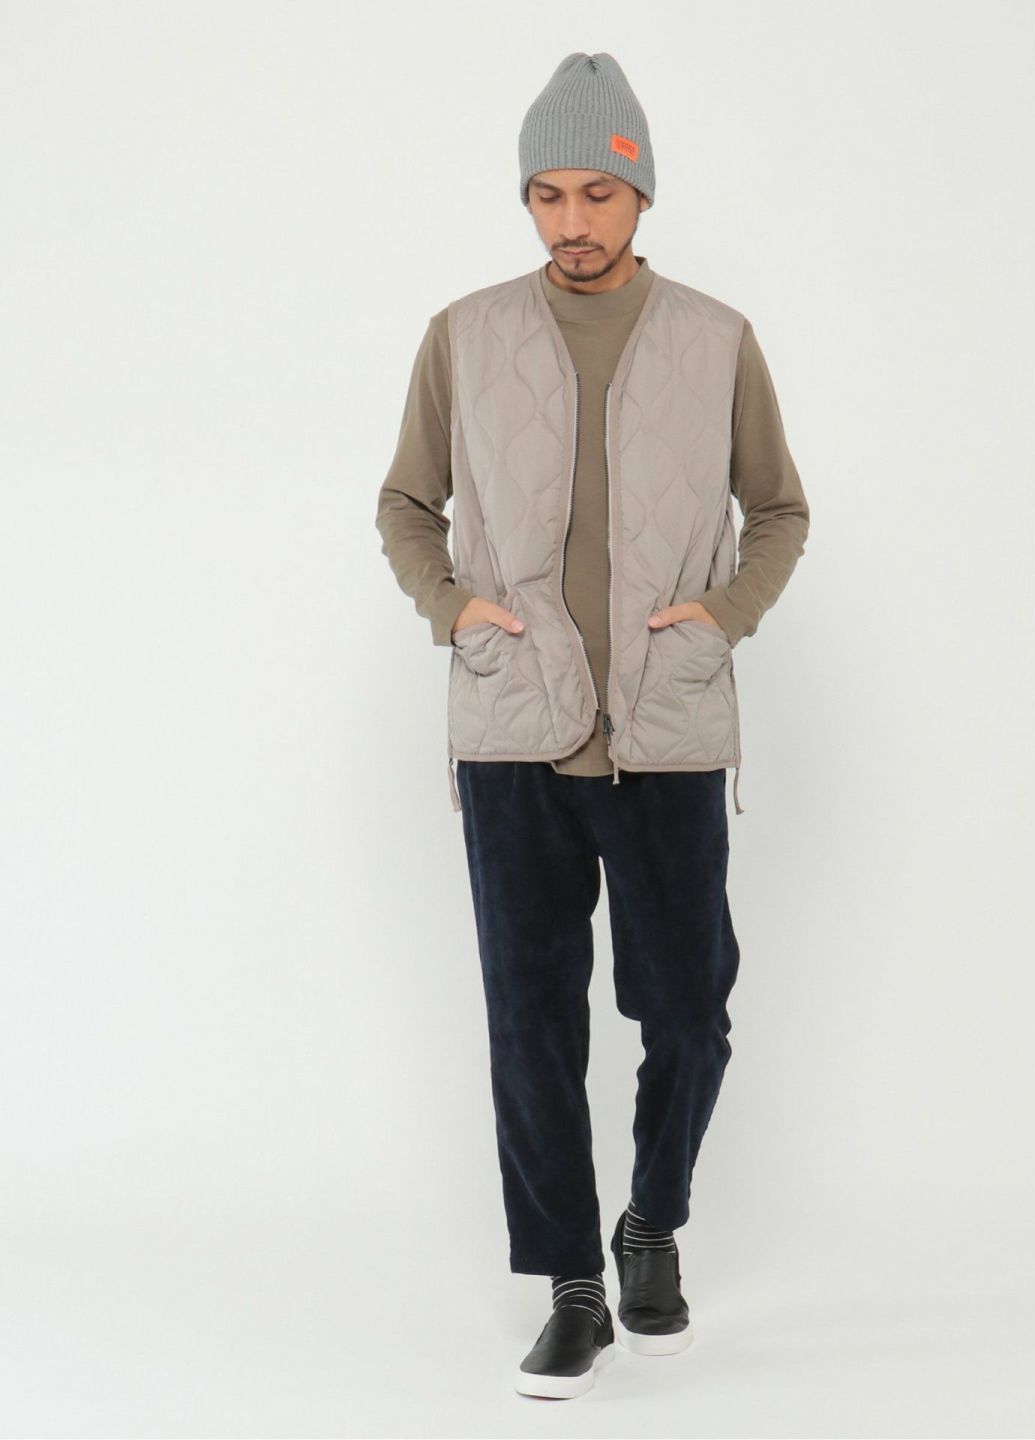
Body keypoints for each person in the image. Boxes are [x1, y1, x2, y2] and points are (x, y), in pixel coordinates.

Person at [374, 50, 810, 1399]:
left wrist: (721, 618)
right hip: (515, 733)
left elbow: (779, 511)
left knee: (687, 1010)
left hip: (667, 733)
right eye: (548, 196)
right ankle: (573, 1284)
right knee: (531, 1024)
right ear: (527, 200)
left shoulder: (716, 340)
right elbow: (405, 507)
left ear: (641, 194)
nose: (573, 222)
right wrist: (455, 610)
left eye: (598, 195)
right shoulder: (463, 335)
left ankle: (652, 1224)